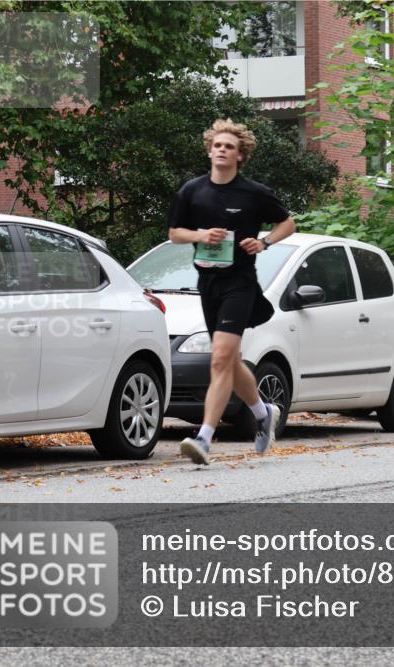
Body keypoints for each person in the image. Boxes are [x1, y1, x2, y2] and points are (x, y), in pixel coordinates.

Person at [168, 118, 296, 464]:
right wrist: (201, 235)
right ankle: (263, 413)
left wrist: (265, 242)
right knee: (230, 359)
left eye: (229, 147)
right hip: (207, 282)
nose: (222, 150)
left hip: (240, 283)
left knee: (220, 358)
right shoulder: (192, 191)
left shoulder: (253, 192)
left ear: (240, 155)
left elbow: (288, 222)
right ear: (209, 151)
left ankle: (204, 438)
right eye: (217, 145)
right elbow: (175, 233)